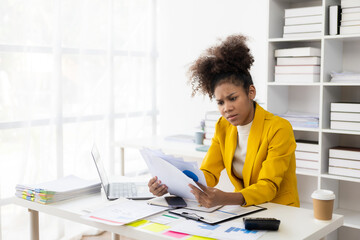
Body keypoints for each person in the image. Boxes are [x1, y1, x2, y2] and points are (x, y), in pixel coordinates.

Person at [148, 34, 300, 208]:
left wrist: (227, 198)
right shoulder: (223, 126)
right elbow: (209, 174)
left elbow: (269, 186)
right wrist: (171, 183)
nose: (226, 108)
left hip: (281, 210)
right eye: (220, 102)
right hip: (247, 209)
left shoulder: (278, 128)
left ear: (251, 92)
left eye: (233, 98)